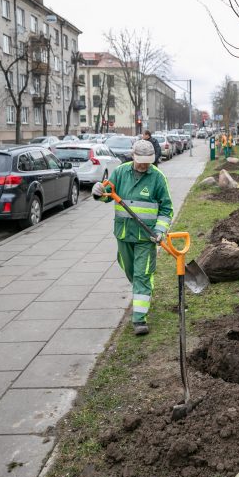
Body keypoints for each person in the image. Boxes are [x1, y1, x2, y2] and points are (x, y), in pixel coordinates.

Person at [93, 139, 173, 335]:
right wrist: (98, 192)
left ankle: (139, 319)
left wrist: (160, 230)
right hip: (123, 234)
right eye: (141, 162)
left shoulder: (157, 178)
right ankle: (143, 287)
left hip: (147, 237)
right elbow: (107, 193)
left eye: (148, 162)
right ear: (133, 156)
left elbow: (166, 209)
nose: (144, 166)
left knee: (142, 274)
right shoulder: (121, 172)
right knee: (130, 271)